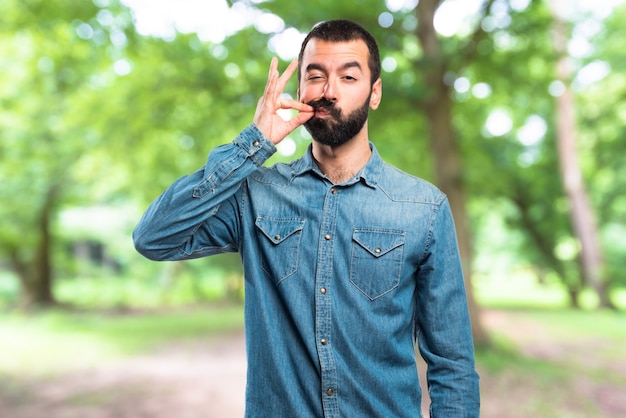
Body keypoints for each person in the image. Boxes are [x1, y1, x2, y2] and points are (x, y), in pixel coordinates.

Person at [133, 19, 480, 417]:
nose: (329, 91)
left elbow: (452, 366)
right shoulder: (255, 194)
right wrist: (254, 143)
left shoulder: (424, 208)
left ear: (375, 93)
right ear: (300, 92)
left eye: (349, 76)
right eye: (316, 76)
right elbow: (154, 238)